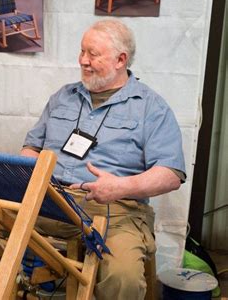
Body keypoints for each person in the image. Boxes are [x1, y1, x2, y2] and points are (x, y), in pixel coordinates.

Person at [21, 19, 186, 300]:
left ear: (121, 59)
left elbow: (171, 173)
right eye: (82, 52)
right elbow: (31, 147)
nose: (83, 61)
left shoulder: (151, 107)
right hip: (49, 200)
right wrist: (27, 173)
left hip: (115, 211)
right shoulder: (63, 97)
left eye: (93, 54)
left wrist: (121, 187)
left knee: (123, 278)